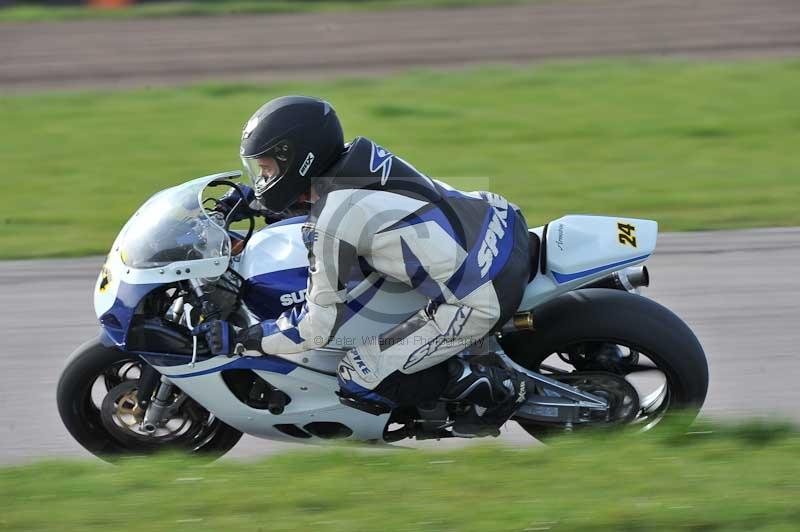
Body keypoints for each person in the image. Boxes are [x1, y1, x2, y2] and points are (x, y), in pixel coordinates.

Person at [199, 95, 532, 436]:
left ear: (298, 158)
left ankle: (492, 386)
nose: (262, 177)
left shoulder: (330, 222)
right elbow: (347, 207)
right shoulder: (360, 158)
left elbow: (315, 328)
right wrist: (255, 202)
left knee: (359, 373)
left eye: (267, 168)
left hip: (481, 293)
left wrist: (245, 339)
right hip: (498, 223)